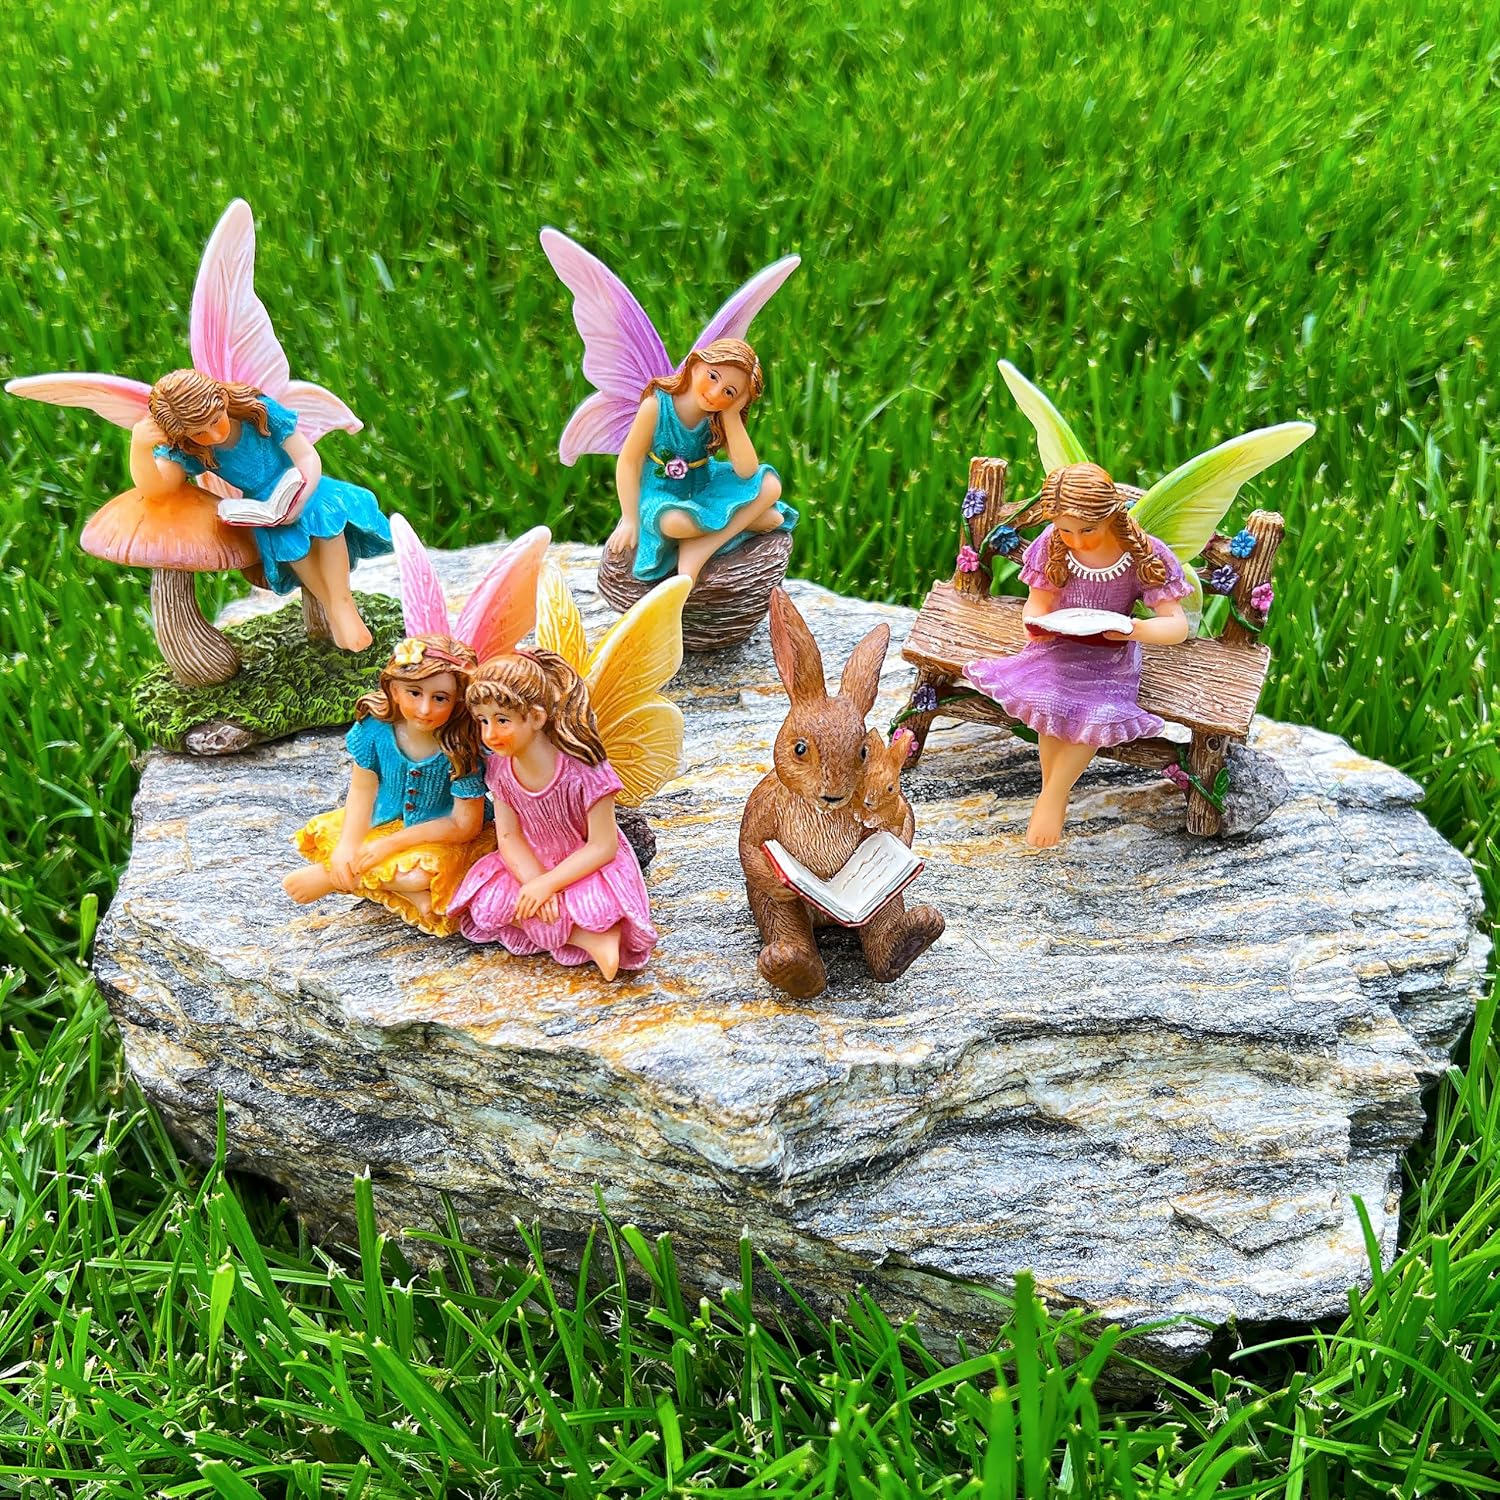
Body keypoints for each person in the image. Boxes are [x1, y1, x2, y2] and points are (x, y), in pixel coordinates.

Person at [963, 463, 1193, 848]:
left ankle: (1052, 795)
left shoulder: (1144, 554)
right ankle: (1053, 793)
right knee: (1048, 696)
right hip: (1059, 645)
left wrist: (1133, 629)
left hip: (1111, 656)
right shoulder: (1053, 544)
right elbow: (1037, 605)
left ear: (1111, 515)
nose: (1077, 542)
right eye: (1066, 530)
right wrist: (1036, 624)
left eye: (1087, 530)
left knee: (1095, 709)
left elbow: (1177, 626)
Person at [133, 369, 392, 650]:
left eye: (216, 420)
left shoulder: (259, 410)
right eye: (199, 433)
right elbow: (157, 488)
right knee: (289, 545)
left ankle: (342, 603)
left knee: (327, 519)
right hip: (264, 506)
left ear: (222, 399)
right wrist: (139, 447)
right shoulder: (192, 449)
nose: (214, 434)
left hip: (301, 482)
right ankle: (332, 607)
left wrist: (301, 496)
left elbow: (306, 455)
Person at [448, 650, 658, 980]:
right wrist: (534, 883)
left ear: (535, 717)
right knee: (488, 903)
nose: (489, 734)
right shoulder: (501, 768)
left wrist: (549, 884)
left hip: (585, 865)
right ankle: (586, 939)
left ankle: (596, 932)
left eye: (502, 720)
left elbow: (602, 846)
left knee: (598, 908)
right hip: (529, 861)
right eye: (483, 721)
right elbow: (509, 836)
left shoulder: (585, 769)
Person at [282, 634, 493, 933]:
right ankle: (404, 894)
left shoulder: (460, 745)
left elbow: (464, 825)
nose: (424, 709)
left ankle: (334, 879)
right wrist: (348, 846)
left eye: (440, 698)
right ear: (394, 689)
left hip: (439, 835)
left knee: (418, 876)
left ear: (458, 700)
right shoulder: (375, 729)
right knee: (338, 845)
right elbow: (362, 791)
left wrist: (389, 845)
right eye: (414, 693)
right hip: (380, 821)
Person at [609, 338, 796, 583]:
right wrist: (629, 518)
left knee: (771, 484)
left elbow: (747, 471)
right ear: (696, 365)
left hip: (704, 486)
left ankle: (701, 546)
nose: (715, 393)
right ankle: (746, 521)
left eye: (729, 392)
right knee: (673, 523)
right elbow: (629, 462)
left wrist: (731, 414)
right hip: (661, 493)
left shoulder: (717, 417)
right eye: (713, 376)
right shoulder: (656, 406)